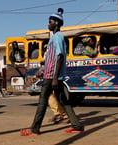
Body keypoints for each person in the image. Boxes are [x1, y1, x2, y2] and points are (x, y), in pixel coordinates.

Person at [20, 8, 84, 136]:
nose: (48, 24)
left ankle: (35, 129)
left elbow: (60, 57)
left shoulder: (58, 37)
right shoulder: (54, 37)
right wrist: (43, 68)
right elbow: (53, 58)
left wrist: (55, 77)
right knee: (64, 101)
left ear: (56, 23)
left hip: (52, 77)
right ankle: (76, 125)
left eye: (50, 22)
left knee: (42, 102)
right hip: (52, 75)